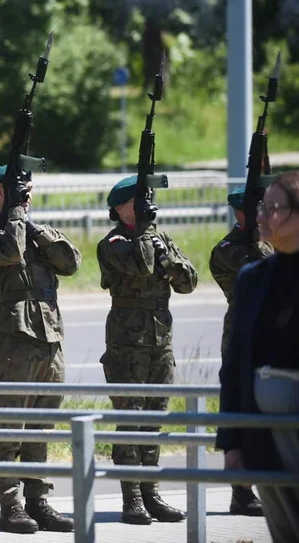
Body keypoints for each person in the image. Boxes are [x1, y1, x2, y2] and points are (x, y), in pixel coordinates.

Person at [0, 165, 80, 535]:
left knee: (41, 428)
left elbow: (71, 263)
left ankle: (38, 499)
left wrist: (35, 226)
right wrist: (16, 217)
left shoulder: (36, 232)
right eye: (20, 191)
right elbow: (8, 253)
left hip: (51, 338)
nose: (27, 197)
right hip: (14, 341)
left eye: (29, 190)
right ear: (1, 192)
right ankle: (10, 505)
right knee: (9, 427)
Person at [97, 175, 197, 525]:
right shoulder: (113, 242)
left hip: (160, 341)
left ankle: (152, 493)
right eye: (137, 201)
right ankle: (132, 498)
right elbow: (142, 265)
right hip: (127, 345)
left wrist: (166, 254)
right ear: (119, 208)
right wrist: (145, 232)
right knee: (130, 420)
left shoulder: (159, 237)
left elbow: (188, 282)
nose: (145, 205)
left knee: (154, 420)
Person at [220, 171, 299, 543]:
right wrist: (232, 442)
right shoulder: (253, 276)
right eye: (263, 207)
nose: (263, 216)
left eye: (274, 208)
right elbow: (235, 364)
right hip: (264, 436)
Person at [209, 185, 272, 516]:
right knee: (244, 409)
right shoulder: (229, 249)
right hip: (245, 335)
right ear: (243, 213)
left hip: (277, 334)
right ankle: (242, 492)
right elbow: (265, 270)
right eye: (262, 207)